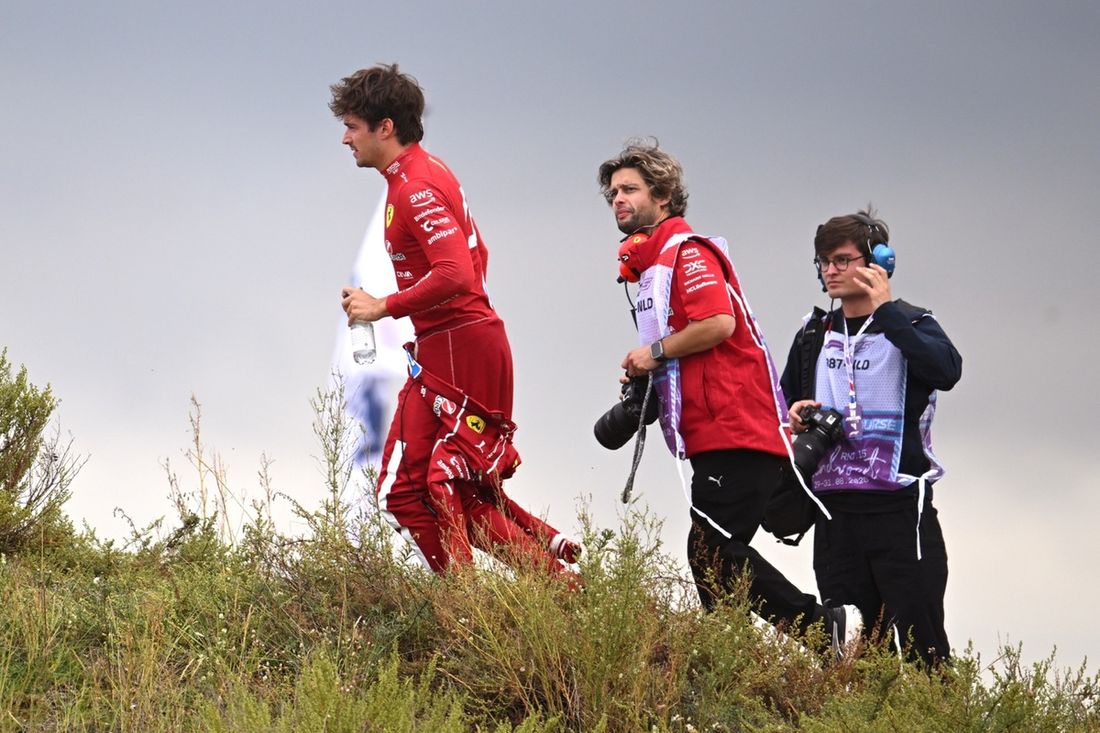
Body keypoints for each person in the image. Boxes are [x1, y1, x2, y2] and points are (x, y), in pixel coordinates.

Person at [597, 141, 858, 651]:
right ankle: (723, 658)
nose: (618, 200)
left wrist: (654, 351)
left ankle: (823, 628)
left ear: (664, 194)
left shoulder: (687, 252)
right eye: (612, 193)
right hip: (713, 428)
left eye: (629, 189)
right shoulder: (653, 267)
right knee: (711, 552)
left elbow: (719, 322)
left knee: (712, 549)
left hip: (734, 423)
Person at [330, 64, 578, 577]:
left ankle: (466, 609)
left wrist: (383, 306)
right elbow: (477, 256)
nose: (344, 138)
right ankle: (554, 580)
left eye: (353, 125)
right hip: (458, 343)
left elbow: (457, 272)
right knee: (437, 491)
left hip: (460, 346)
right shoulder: (422, 173)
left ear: (386, 126)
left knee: (411, 487)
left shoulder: (415, 187)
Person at [779, 207, 962, 665]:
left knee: (925, 651)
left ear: (879, 262)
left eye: (842, 259)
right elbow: (776, 405)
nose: (830, 270)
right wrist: (794, 416)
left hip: (899, 509)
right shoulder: (812, 334)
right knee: (853, 655)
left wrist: (887, 311)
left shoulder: (914, 324)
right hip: (834, 513)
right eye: (823, 261)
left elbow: (946, 371)